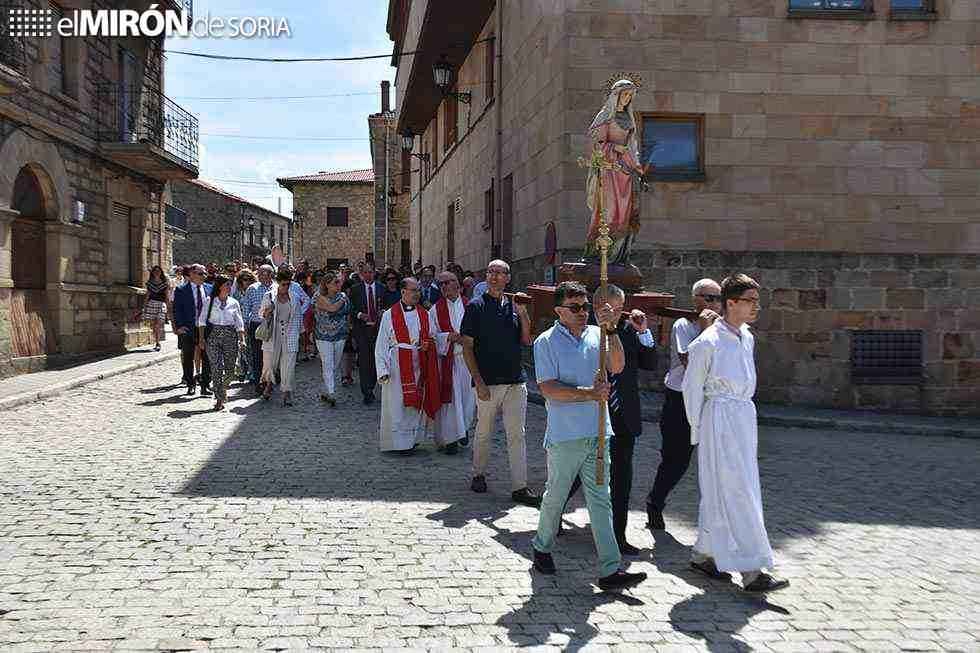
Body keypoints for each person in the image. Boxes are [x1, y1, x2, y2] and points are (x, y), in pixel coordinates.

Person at [530, 281, 647, 592]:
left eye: (585, 307)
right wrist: (589, 394)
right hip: (566, 435)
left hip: (598, 432)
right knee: (555, 497)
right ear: (559, 311)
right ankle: (541, 547)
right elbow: (548, 388)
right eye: (576, 308)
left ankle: (610, 569)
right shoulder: (546, 342)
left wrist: (610, 329)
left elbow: (618, 366)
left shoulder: (599, 335)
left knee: (600, 501)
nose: (583, 313)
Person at [684, 274, 789, 594]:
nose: (757, 307)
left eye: (758, 301)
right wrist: (697, 429)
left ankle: (706, 552)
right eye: (751, 301)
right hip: (719, 418)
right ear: (732, 302)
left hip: (743, 415)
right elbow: (691, 388)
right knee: (736, 489)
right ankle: (752, 569)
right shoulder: (707, 342)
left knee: (728, 487)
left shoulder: (747, 336)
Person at [561, 285, 658, 556]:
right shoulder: (584, 332)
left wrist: (644, 332)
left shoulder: (627, 330)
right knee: (579, 471)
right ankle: (554, 512)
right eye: (607, 308)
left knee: (622, 478)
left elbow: (649, 363)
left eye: (618, 308)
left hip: (622, 415)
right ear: (596, 307)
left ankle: (618, 536)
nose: (613, 314)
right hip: (591, 413)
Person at [460, 259, 540, 507]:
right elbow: (467, 347)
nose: (494, 277)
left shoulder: (514, 306)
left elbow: (527, 341)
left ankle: (519, 486)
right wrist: (478, 381)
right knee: (483, 432)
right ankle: (478, 473)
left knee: (517, 434)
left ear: (508, 278)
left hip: (516, 380)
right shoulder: (476, 306)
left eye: (500, 273)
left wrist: (524, 314)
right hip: (488, 382)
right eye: (491, 272)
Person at [646, 278, 722, 531]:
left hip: (709, 400)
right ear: (695, 299)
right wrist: (704, 330)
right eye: (708, 298)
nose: (714, 304)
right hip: (679, 398)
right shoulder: (683, 324)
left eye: (718, 299)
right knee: (675, 459)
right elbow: (691, 362)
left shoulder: (722, 328)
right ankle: (655, 502)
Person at [584, 79, 648, 264]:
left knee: (625, 216)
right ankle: (599, 255)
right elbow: (594, 144)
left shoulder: (629, 118)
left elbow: (632, 145)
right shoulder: (605, 116)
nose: (627, 99)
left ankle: (619, 255)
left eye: (630, 96)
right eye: (624, 94)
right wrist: (613, 149)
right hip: (609, 172)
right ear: (616, 95)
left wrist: (638, 168)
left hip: (627, 173)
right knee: (608, 213)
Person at [375, 277, 440, 454]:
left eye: (418, 290)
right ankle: (398, 443)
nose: (417, 294)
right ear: (403, 292)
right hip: (396, 364)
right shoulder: (390, 314)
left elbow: (433, 336)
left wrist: (429, 343)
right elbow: (381, 344)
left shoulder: (424, 314)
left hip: (419, 362)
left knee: (414, 404)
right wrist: (383, 370)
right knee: (398, 404)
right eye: (413, 290)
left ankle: (412, 440)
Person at [429, 271, 474, 455]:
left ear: (458, 284)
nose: (447, 286)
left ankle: (462, 430)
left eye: (450, 282)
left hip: (468, 360)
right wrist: (448, 336)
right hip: (448, 360)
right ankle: (450, 440)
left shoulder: (470, 306)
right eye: (443, 283)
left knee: (466, 399)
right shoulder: (435, 310)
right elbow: (432, 336)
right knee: (450, 402)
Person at [260, 268, 309, 406]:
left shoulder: (294, 297)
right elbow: (261, 314)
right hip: (273, 335)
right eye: (283, 284)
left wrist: (299, 332)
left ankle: (286, 393)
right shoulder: (269, 296)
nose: (286, 287)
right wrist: (267, 312)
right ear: (278, 283)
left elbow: (299, 315)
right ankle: (269, 385)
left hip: (290, 333)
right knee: (270, 365)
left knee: (288, 366)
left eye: (289, 284)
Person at [197, 275, 246, 411]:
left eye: (230, 285)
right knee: (216, 367)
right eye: (227, 285)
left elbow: (239, 322)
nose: (229, 287)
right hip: (213, 336)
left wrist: (242, 339)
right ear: (220, 286)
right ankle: (219, 398)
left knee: (230, 370)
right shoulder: (210, 301)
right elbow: (201, 321)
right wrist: (201, 339)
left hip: (230, 336)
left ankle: (223, 388)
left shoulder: (234, 302)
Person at [172, 264, 212, 396]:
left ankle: (205, 384)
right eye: (201, 274)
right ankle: (190, 383)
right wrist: (179, 326)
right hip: (189, 328)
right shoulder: (181, 290)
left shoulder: (210, 289)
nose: (204, 276)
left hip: (205, 329)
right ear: (192, 274)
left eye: (205, 274)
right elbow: (177, 310)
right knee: (188, 357)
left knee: (207, 357)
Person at [349, 263, 384, 404]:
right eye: (366, 272)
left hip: (378, 329)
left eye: (371, 272)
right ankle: (367, 392)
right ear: (361, 274)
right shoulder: (355, 289)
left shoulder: (382, 288)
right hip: (362, 329)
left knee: (376, 359)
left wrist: (383, 312)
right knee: (364, 360)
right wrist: (358, 314)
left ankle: (372, 384)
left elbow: (388, 306)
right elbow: (350, 308)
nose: (369, 275)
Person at [314, 271, 350, 406]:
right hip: (323, 336)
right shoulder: (318, 296)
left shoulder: (343, 296)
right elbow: (332, 308)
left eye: (339, 282)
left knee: (335, 364)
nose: (338, 285)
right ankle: (331, 392)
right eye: (335, 282)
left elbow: (347, 313)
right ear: (327, 284)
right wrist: (343, 299)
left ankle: (325, 389)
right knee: (328, 363)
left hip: (340, 334)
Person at [242, 265, 275, 390]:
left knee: (271, 355)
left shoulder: (276, 288)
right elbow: (246, 308)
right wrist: (245, 325)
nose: (261, 276)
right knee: (257, 355)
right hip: (256, 325)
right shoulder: (252, 288)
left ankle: (269, 381)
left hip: (272, 325)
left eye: (264, 273)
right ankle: (258, 382)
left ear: (271, 274)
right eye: (260, 273)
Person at [141, 265, 171, 352]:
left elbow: (167, 296)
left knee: (158, 323)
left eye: (158, 271)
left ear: (161, 272)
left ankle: (158, 342)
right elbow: (148, 295)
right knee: (154, 325)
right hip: (151, 304)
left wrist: (169, 309)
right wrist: (144, 306)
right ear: (152, 273)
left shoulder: (165, 283)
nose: (157, 272)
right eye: (155, 271)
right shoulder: (150, 283)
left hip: (161, 304)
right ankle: (157, 341)